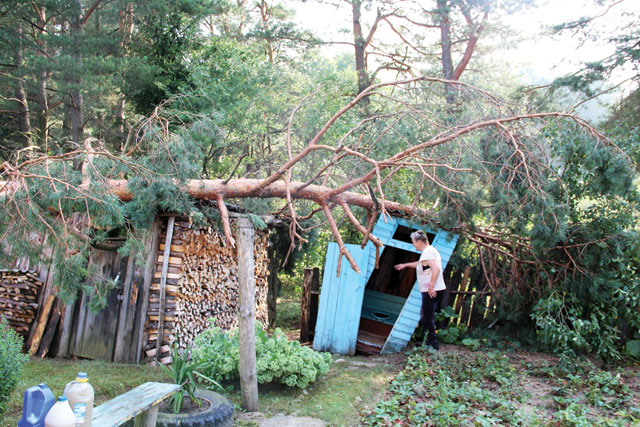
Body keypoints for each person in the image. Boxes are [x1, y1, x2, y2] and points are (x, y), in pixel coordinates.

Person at [394, 230, 446, 350]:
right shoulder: (429, 251)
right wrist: (405, 265)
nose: (413, 244)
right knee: (425, 315)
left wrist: (431, 287)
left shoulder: (428, 252)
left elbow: (436, 269)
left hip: (432, 290)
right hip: (434, 289)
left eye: (413, 242)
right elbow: (421, 264)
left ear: (419, 241)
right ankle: (425, 340)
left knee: (427, 316)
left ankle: (433, 344)